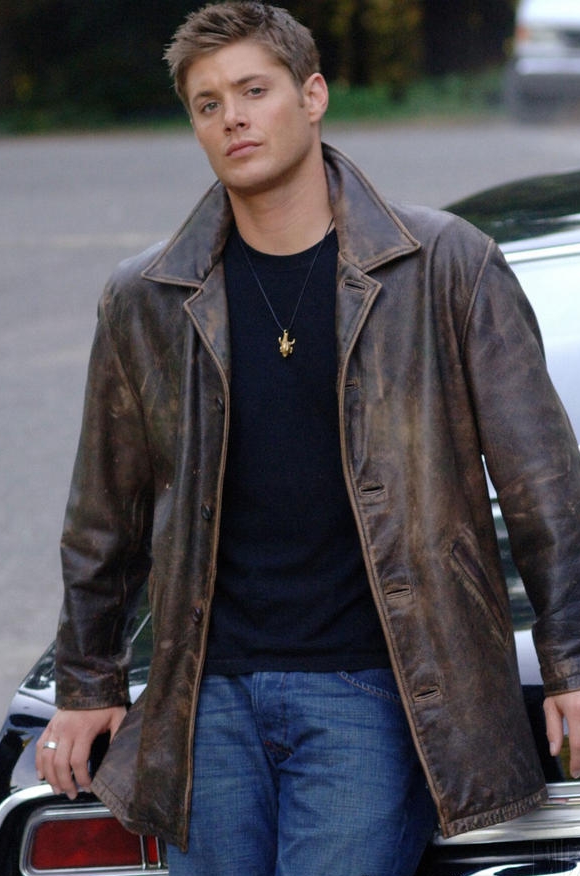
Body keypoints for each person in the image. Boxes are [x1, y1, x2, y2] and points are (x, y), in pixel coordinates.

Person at [35, 3, 580, 875]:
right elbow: (104, 514)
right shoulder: (146, 299)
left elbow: (542, 488)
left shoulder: (444, 266)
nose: (233, 118)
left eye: (254, 90)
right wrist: (88, 683)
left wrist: (570, 665)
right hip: (203, 704)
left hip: (368, 691)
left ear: (312, 94)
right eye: (208, 104)